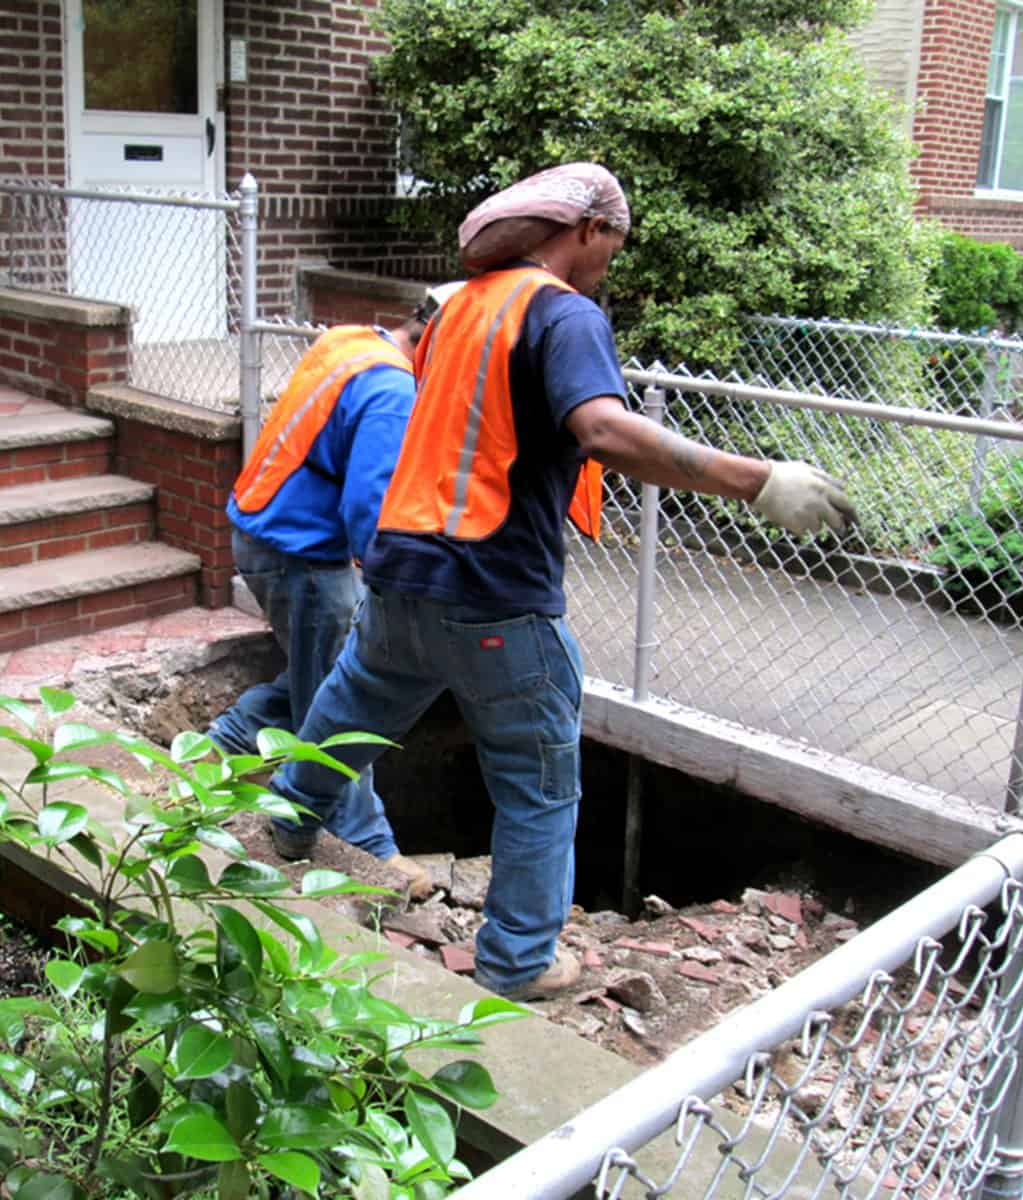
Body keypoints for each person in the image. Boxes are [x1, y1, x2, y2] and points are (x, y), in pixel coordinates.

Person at [266, 163, 856, 1001]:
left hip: (402, 567)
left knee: (354, 706)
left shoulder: (462, 308)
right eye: (615, 241)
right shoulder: (562, 312)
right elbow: (602, 429)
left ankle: (286, 822)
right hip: (497, 588)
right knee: (538, 782)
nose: (614, 258)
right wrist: (757, 481)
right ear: (588, 229)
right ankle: (517, 961)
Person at [209, 284, 465, 900]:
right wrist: (394, 586)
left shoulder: (352, 342)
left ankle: (232, 737)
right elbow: (371, 508)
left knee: (317, 673)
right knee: (346, 699)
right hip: (302, 555)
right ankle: (366, 843)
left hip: (264, 528)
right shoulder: (393, 392)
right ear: (437, 340)